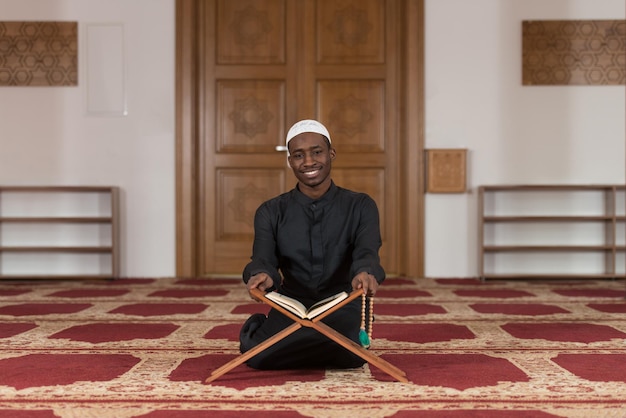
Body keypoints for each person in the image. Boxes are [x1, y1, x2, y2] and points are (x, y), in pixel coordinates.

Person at [239, 119, 385, 370]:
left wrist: (365, 273)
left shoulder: (361, 205)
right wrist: (261, 276)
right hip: (292, 303)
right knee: (257, 356)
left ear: (331, 154)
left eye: (316, 152)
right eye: (298, 155)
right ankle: (298, 335)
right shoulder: (270, 211)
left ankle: (297, 341)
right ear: (290, 161)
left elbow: (366, 252)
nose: (308, 162)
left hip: (340, 302)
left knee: (352, 355)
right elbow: (263, 258)